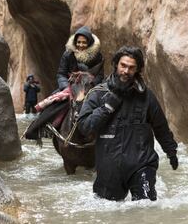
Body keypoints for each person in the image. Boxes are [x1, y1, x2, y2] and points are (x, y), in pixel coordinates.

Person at [77, 46, 179, 201]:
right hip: (109, 166)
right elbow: (84, 127)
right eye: (123, 65)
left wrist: (171, 152)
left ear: (137, 70)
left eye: (131, 68)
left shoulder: (146, 97)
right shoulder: (98, 94)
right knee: (109, 213)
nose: (126, 71)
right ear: (116, 64)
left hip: (142, 163)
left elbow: (161, 127)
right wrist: (107, 107)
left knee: (146, 207)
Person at [56, 26, 104, 91]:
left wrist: (90, 86)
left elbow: (99, 76)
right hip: (69, 87)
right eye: (79, 42)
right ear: (75, 42)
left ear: (89, 43)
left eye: (84, 42)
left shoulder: (96, 56)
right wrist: (66, 86)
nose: (81, 45)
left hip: (90, 88)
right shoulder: (68, 54)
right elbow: (61, 74)